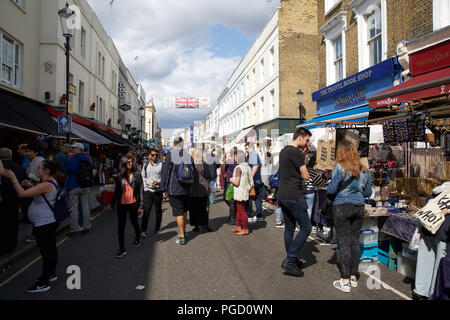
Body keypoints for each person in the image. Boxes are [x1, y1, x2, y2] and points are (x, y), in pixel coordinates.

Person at [2, 160, 61, 292]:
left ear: (46, 171)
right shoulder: (47, 182)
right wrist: (31, 185)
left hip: (45, 224)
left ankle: (43, 283)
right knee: (50, 249)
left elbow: (22, 194)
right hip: (47, 222)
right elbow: (40, 192)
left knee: (47, 252)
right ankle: (51, 274)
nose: (37, 169)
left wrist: (13, 178)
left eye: (39, 168)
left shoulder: (46, 184)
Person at [327, 140, 372, 293]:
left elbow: (331, 190)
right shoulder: (364, 169)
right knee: (354, 241)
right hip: (359, 206)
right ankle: (353, 276)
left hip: (342, 206)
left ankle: (345, 280)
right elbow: (368, 193)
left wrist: (330, 183)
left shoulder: (339, 168)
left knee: (344, 242)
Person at [276, 127, 312, 277]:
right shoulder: (296, 152)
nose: (307, 143)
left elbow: (290, 170)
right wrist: (304, 159)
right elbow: (305, 176)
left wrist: (301, 156)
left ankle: (291, 258)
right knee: (306, 227)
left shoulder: (284, 150)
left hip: (282, 193)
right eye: (307, 140)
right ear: (300, 138)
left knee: (289, 228)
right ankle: (290, 259)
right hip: (293, 195)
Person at [412, 182, 450, 300]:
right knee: (439, 266)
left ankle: (420, 291)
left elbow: (429, 200)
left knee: (425, 262)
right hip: (443, 231)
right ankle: (434, 293)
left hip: (428, 227)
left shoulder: (440, 189)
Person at [160, 137, 193, 245]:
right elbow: (193, 173)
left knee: (179, 212)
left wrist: (163, 188)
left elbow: (165, 172)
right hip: (187, 188)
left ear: (174, 145)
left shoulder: (170, 155)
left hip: (174, 189)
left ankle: (182, 236)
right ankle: (183, 231)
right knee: (184, 211)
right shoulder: (188, 156)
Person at [111, 156, 144, 258]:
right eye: (128, 162)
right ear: (124, 163)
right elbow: (117, 191)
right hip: (122, 204)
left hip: (133, 203)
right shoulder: (120, 176)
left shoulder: (137, 175)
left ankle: (138, 237)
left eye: (131, 162)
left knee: (134, 222)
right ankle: (122, 249)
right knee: (121, 226)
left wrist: (142, 204)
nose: (131, 163)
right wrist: (112, 204)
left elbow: (141, 190)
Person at [0, 149, 27, 254]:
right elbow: (24, 182)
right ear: (11, 156)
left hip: (3, 200)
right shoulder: (19, 167)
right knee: (12, 223)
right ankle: (11, 246)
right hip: (14, 200)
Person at [65, 143, 92, 236]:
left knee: (74, 208)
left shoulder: (72, 158)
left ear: (79, 149)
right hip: (85, 185)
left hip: (74, 185)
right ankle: (86, 226)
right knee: (85, 206)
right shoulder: (88, 158)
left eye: (73, 148)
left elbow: (69, 171)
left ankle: (74, 228)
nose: (72, 149)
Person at [141, 148, 163, 237]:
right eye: (153, 155)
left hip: (158, 191)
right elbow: (143, 176)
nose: (155, 156)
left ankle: (157, 228)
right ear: (149, 155)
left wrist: (158, 182)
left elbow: (164, 177)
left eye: (156, 155)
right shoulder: (146, 165)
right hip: (148, 191)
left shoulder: (162, 164)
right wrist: (146, 186)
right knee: (146, 211)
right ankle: (143, 230)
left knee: (158, 211)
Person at [230, 150, 253, 236]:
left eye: (235, 156)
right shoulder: (247, 167)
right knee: (239, 209)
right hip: (245, 191)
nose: (234, 158)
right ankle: (238, 226)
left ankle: (245, 228)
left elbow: (236, 182)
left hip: (240, 192)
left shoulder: (238, 168)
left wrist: (231, 180)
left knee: (241, 211)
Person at [189, 148, 212, 234]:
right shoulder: (204, 164)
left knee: (194, 209)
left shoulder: (190, 164)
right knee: (203, 209)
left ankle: (196, 226)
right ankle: (203, 226)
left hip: (192, 189)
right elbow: (209, 175)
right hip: (203, 189)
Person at [245, 142, 264, 222]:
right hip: (257, 180)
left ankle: (249, 215)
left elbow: (255, 166)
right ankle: (259, 215)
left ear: (250, 147)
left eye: (246, 148)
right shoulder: (253, 154)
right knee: (256, 198)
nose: (245, 150)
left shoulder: (253, 154)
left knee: (249, 197)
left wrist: (250, 178)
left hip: (254, 181)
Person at [223, 147, 238, 225]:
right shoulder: (238, 161)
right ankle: (232, 215)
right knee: (229, 199)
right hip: (235, 180)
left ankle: (233, 217)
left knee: (229, 199)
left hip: (229, 180)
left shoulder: (229, 161)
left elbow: (224, 168)